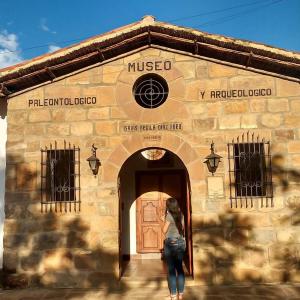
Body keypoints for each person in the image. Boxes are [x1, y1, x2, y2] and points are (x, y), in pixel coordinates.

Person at [160, 197, 186, 300]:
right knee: (179, 269)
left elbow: (164, 230)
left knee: (171, 270)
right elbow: (182, 228)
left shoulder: (169, 216)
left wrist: (163, 220)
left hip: (171, 243)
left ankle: (173, 296)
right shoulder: (181, 214)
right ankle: (181, 295)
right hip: (180, 242)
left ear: (168, 206)